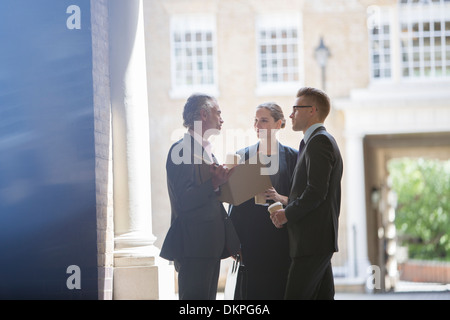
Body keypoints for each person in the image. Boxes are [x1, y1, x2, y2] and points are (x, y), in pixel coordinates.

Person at [160, 93, 237, 300]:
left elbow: (209, 195)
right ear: (203, 114)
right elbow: (183, 201)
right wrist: (214, 183)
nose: (221, 118)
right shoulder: (181, 150)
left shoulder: (208, 153)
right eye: (217, 113)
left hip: (209, 245)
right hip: (194, 248)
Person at [270, 87, 343, 300]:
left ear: (312, 110)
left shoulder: (319, 142)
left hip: (311, 241)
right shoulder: (315, 142)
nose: (290, 115)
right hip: (316, 240)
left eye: (295, 109)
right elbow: (314, 191)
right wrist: (283, 200)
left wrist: (287, 214)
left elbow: (316, 192)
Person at [229, 102, 298, 300]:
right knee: (252, 294)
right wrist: (233, 242)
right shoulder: (243, 156)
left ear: (278, 124)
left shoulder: (293, 157)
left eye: (264, 120)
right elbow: (234, 202)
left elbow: (300, 199)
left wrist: (279, 198)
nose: (258, 125)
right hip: (250, 239)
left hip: (281, 238)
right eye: (256, 121)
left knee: (279, 291)